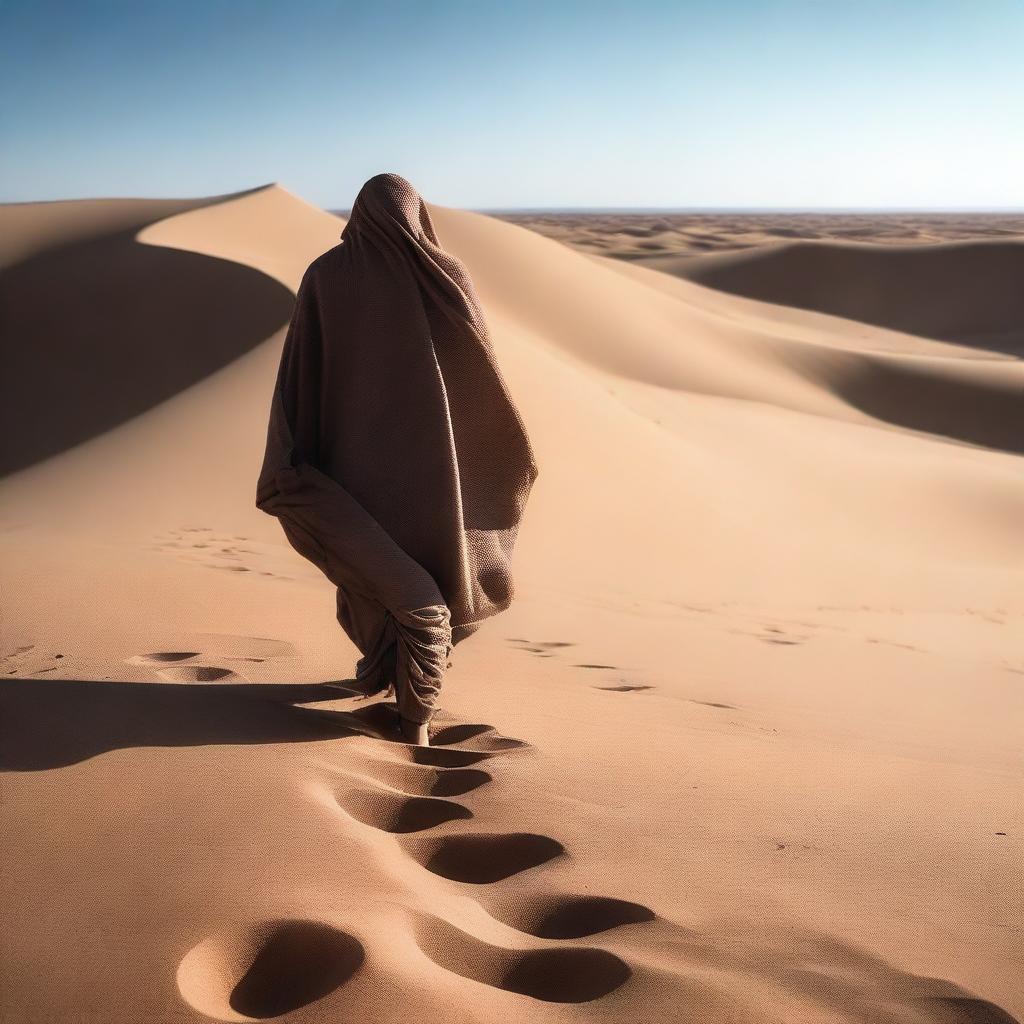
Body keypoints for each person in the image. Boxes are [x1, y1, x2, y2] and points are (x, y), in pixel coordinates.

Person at [255, 172, 539, 746]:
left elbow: (301, 380)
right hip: (434, 484)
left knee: (401, 591)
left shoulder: (329, 276)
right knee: (422, 598)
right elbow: (484, 385)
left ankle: (405, 701)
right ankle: (415, 727)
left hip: (360, 482)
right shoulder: (443, 275)